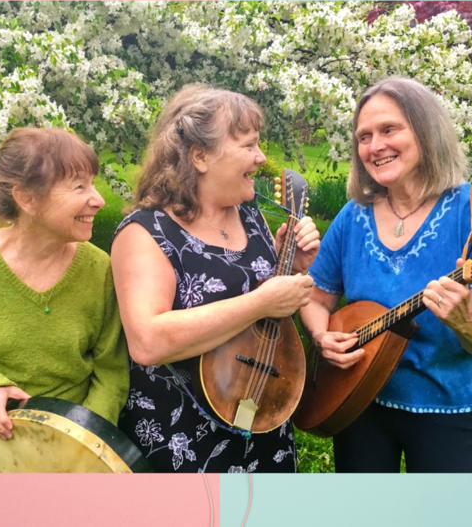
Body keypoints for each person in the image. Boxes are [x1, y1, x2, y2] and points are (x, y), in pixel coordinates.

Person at [300, 77, 472, 473]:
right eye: (364, 136)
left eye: (389, 129)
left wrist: (464, 322)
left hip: (448, 409)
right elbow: (315, 295)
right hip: (358, 399)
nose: (374, 146)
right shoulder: (353, 216)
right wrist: (321, 335)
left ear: (426, 131)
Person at [110, 84, 320, 473]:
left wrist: (290, 269)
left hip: (261, 423)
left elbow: (259, 309)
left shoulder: (249, 214)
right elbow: (147, 341)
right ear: (201, 156)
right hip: (183, 440)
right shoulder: (146, 233)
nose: (260, 158)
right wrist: (261, 302)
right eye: (249, 145)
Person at [0, 127, 129, 473]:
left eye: (93, 183)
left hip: (70, 458)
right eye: (79, 186)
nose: (98, 199)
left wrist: (83, 440)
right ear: (27, 198)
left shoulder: (99, 270)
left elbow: (111, 369)